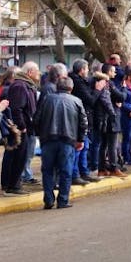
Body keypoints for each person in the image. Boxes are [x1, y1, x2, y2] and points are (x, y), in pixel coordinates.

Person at [35, 77, 87, 209]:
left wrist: (39, 134)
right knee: (65, 170)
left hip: (48, 139)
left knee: (47, 170)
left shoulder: (47, 99)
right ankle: (63, 199)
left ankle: (48, 199)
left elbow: (37, 118)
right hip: (67, 139)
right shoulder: (76, 101)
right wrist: (80, 139)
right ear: (71, 88)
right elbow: (83, 123)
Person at [2, 63, 39, 195]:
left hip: (25, 127)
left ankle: (14, 184)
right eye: (37, 71)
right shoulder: (20, 86)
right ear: (30, 72)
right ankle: (13, 185)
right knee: (18, 157)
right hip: (20, 129)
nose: (39, 73)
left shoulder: (26, 85)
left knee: (21, 157)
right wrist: (22, 127)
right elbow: (17, 109)